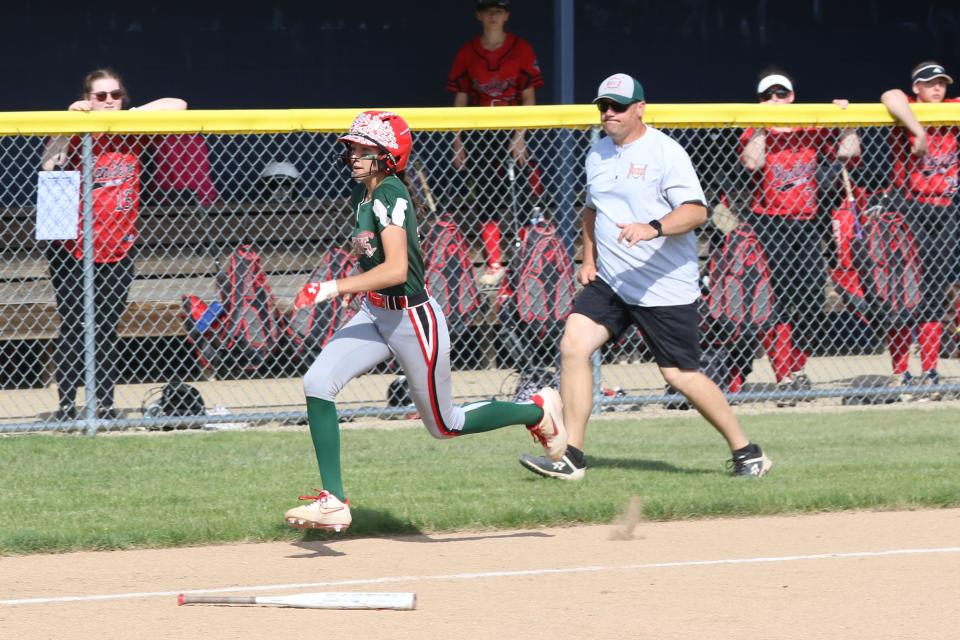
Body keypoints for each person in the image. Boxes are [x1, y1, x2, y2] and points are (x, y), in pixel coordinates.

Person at [284, 110, 567, 532]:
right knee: (317, 383)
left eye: (366, 149)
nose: (355, 154)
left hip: (412, 320)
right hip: (376, 312)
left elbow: (397, 270)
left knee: (445, 425)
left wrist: (330, 288)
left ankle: (536, 410)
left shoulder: (389, 195)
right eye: (354, 147)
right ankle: (333, 500)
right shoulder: (367, 192)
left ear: (389, 155)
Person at [518, 73, 772, 481]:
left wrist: (652, 227)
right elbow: (592, 210)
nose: (609, 113)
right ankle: (572, 456)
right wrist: (588, 257)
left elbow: (696, 212)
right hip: (613, 281)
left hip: (663, 286)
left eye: (618, 106)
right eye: (603, 106)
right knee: (573, 346)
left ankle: (747, 452)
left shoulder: (664, 152)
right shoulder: (598, 152)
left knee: (679, 374)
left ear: (640, 108)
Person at [40, 68, 186, 421]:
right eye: (99, 96)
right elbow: (49, 163)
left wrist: (131, 114)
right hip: (73, 249)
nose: (108, 102)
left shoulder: (133, 131)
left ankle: (102, 404)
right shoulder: (76, 129)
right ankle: (66, 407)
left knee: (105, 326)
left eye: (114, 95)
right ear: (87, 99)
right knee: (75, 324)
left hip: (118, 248)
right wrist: (70, 119)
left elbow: (178, 105)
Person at [738, 69, 860, 406]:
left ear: (792, 96)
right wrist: (763, 124)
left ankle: (798, 369)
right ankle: (783, 376)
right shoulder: (754, 129)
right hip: (770, 223)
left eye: (782, 94)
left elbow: (848, 153)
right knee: (777, 300)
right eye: (768, 96)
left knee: (809, 297)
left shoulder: (809, 126)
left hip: (806, 223)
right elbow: (752, 162)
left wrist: (846, 119)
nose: (776, 101)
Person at [446, 0, 544, 286]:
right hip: (481, 131)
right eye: (488, 10)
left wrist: (520, 136)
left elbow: (529, 98)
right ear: (479, 15)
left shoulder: (521, 48)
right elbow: (461, 99)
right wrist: (457, 141)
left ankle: (526, 260)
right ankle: (494, 262)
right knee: (487, 196)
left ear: (506, 15)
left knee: (523, 194)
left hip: (513, 130)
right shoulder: (467, 51)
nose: (493, 15)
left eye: (498, 10)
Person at [880, 61, 960, 392]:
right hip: (908, 208)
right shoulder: (908, 107)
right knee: (901, 296)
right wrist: (918, 129)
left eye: (941, 83)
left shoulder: (953, 109)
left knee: (932, 295)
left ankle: (929, 370)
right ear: (918, 88)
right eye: (929, 84)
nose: (937, 89)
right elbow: (890, 95)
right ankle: (900, 371)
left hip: (942, 211)